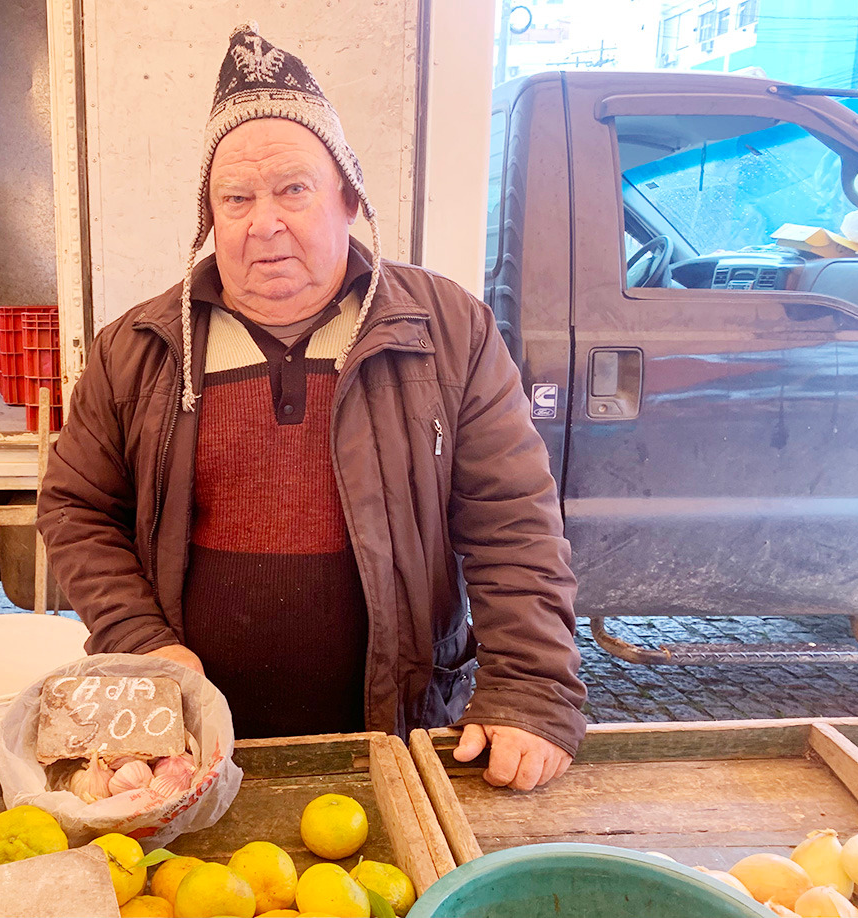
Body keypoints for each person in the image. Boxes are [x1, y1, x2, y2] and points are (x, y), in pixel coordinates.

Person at [38, 24, 586, 790]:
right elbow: (75, 508)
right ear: (210, 218)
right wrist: (141, 641)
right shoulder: (137, 347)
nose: (264, 223)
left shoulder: (446, 329)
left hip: (397, 727)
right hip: (187, 745)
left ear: (348, 198)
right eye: (236, 198)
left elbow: (511, 516)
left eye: (293, 189)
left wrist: (529, 686)